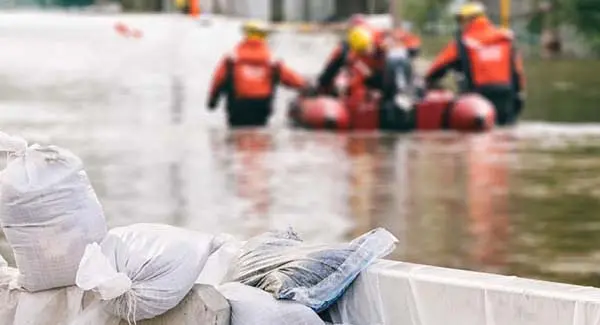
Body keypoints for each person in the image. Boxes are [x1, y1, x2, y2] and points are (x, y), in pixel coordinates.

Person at [424, 2, 526, 126]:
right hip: (507, 97)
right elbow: (518, 73)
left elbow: (434, 71)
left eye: (461, 22)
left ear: (468, 21)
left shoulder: (462, 44)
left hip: (477, 101)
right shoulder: (506, 40)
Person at [207, 20, 310, 128]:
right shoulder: (271, 61)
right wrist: (307, 87)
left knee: (236, 135)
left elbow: (218, 80)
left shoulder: (232, 58)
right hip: (262, 108)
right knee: (260, 135)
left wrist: (212, 101)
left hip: (237, 108)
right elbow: (290, 78)